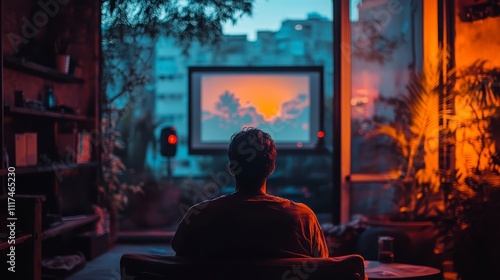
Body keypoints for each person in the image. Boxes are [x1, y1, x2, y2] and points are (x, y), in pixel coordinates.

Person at [171, 127, 329, 258]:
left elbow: (178, 262)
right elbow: (323, 268)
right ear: (271, 168)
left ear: (232, 168)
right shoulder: (303, 218)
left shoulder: (197, 217)